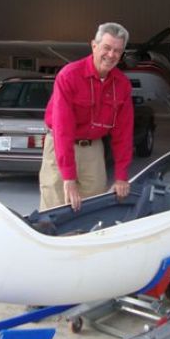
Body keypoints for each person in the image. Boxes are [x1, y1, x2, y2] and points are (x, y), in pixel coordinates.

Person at [39, 22, 134, 212]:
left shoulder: (122, 84)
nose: (111, 55)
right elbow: (63, 129)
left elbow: (123, 133)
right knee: (56, 208)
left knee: (94, 206)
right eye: (107, 47)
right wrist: (68, 178)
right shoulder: (69, 76)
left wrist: (121, 176)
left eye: (117, 50)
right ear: (94, 45)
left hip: (93, 149)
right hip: (60, 146)